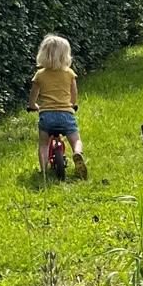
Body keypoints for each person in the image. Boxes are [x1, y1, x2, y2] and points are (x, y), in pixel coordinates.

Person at [28, 33, 88, 179]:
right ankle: (77, 153)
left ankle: (43, 170)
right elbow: (74, 92)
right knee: (75, 139)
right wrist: (73, 104)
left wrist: (33, 105)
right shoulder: (69, 73)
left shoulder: (40, 75)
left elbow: (33, 93)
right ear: (66, 55)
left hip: (46, 115)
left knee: (43, 143)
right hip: (66, 114)